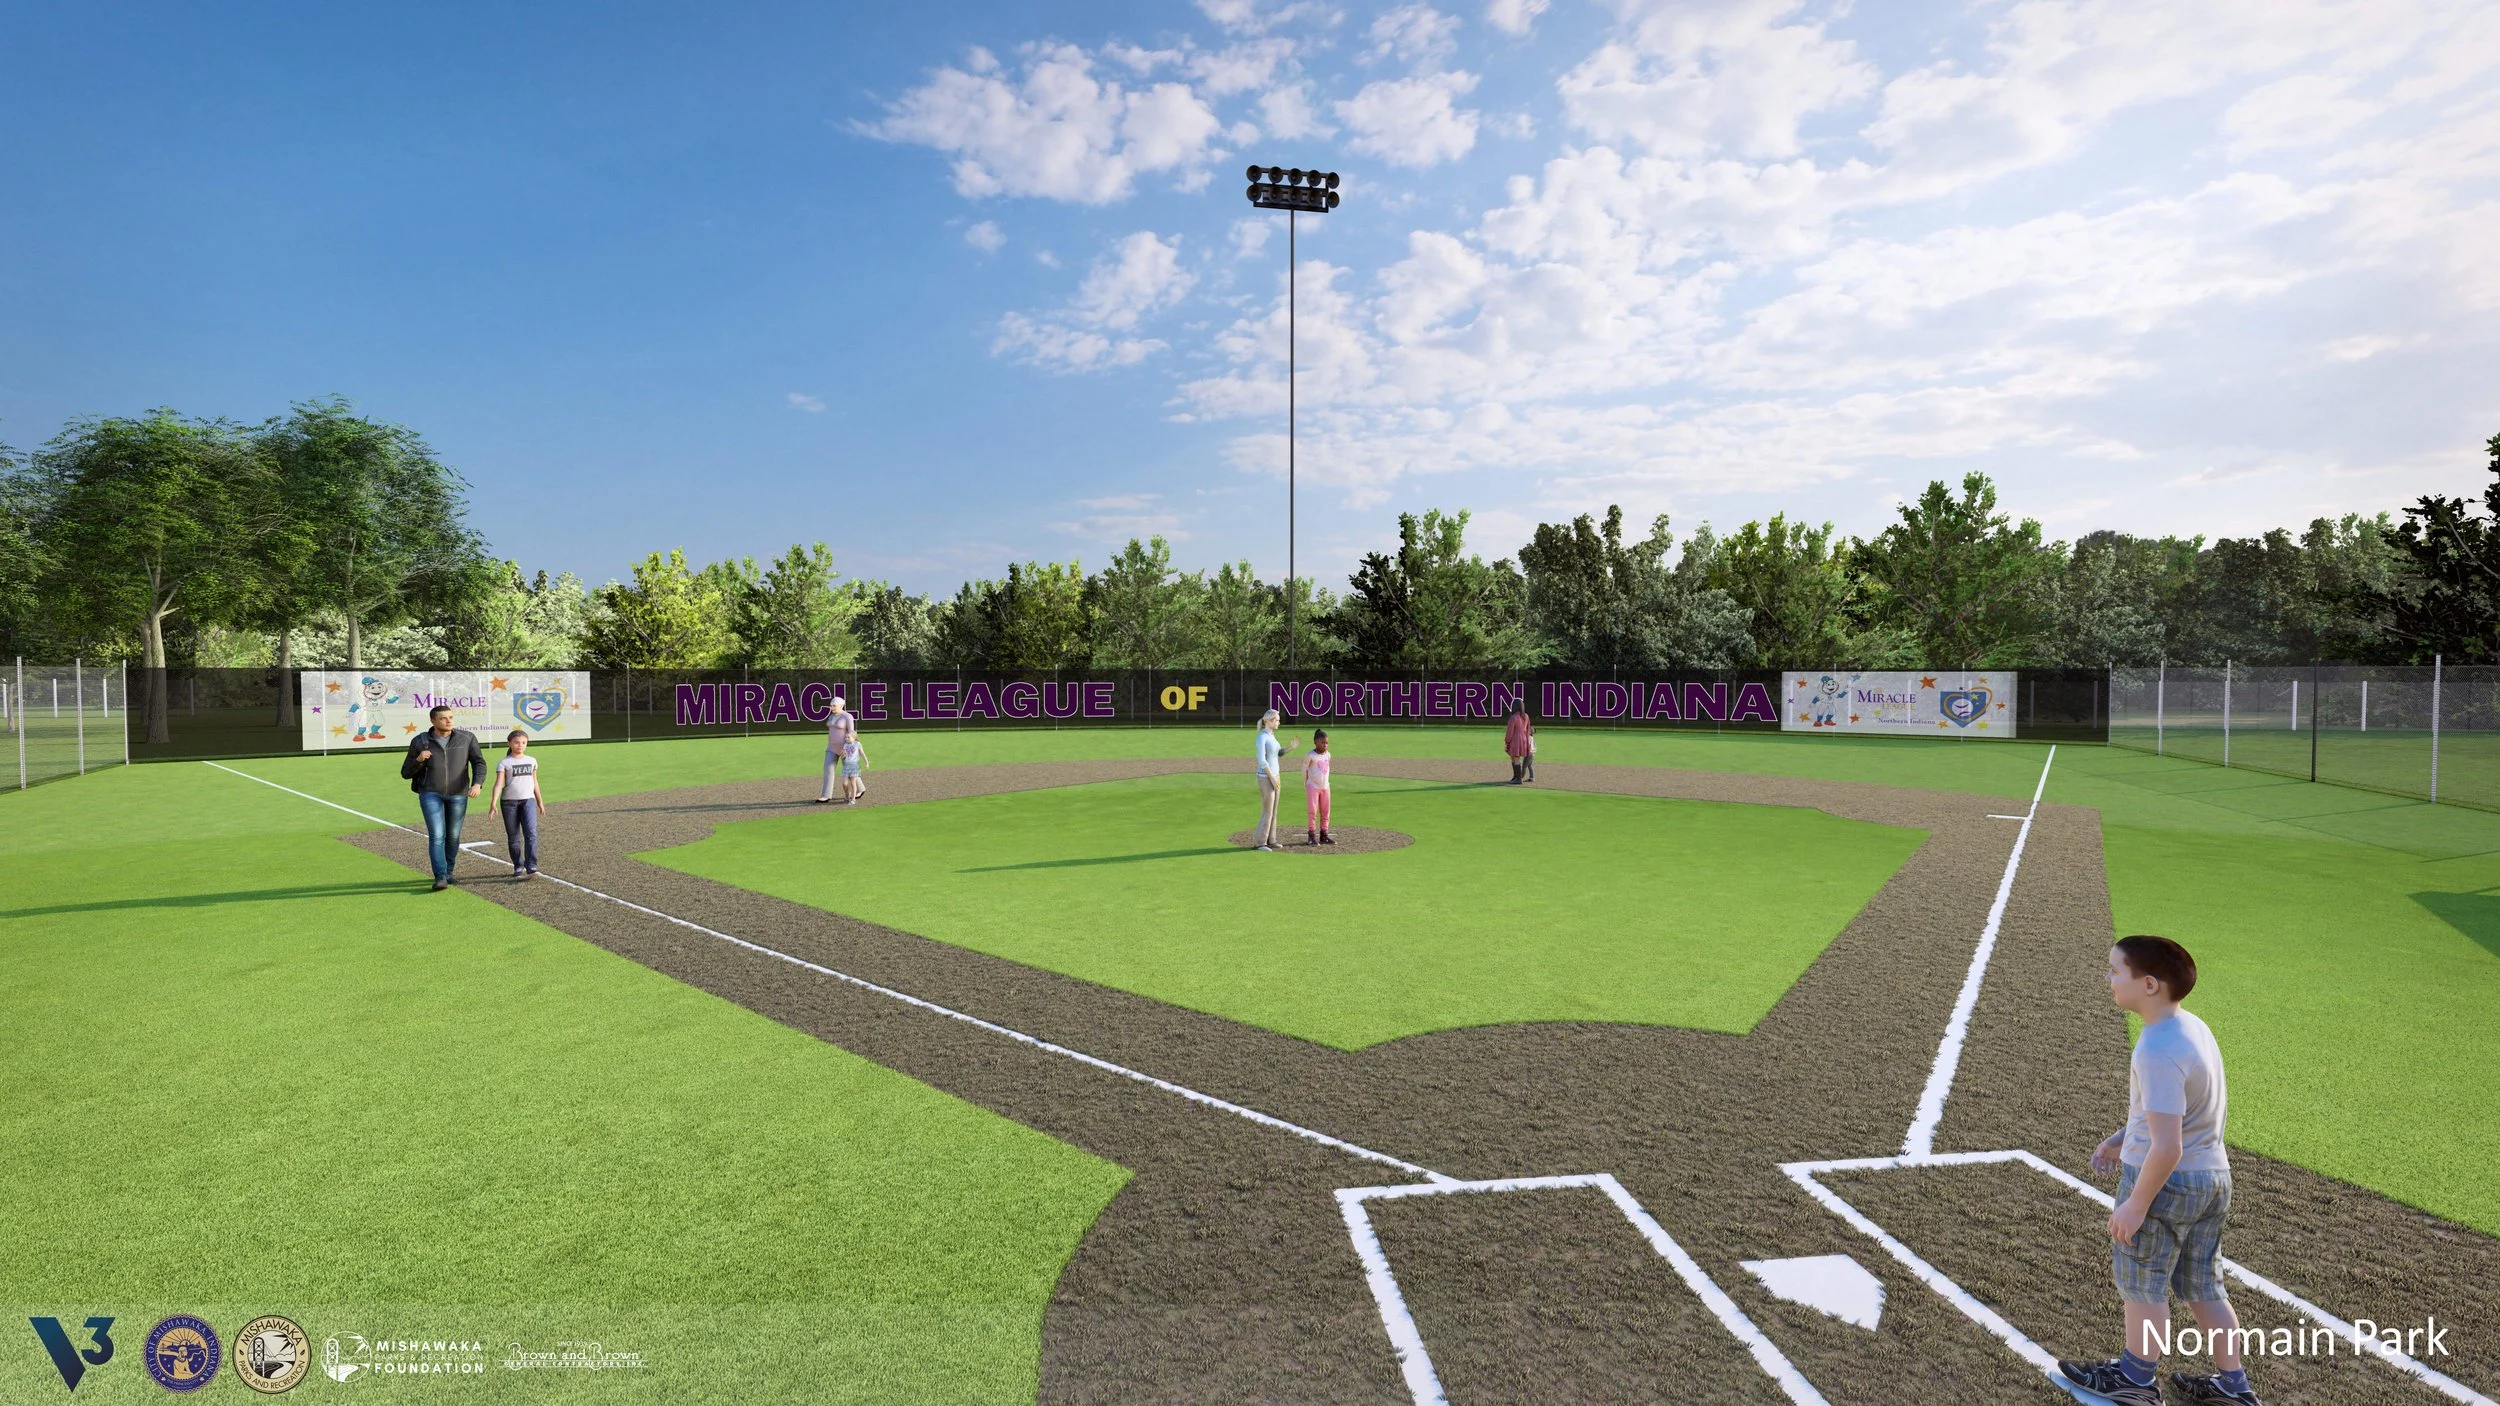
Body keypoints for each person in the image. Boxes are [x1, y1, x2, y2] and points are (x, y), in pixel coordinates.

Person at [2059, 936, 2253, 1406]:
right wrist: (2122, 1136)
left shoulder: (2155, 1049)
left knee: (2143, 1286)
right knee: (2205, 1286)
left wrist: (2135, 1204)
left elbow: (2167, 1145)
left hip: (2167, 1182)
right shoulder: (2191, 1028)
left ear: (2148, 984)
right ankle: (2235, 1388)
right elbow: (2177, 1113)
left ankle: (2136, 1380)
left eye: (2114, 971)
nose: (2108, 979)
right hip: (2211, 1179)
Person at [402, 705, 485, 891]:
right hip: (430, 794)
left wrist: (478, 783)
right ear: (433, 721)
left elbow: (479, 762)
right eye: (443, 718)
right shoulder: (420, 741)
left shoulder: (467, 738)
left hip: (459, 794)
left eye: (451, 717)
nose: (449, 721)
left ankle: (449, 872)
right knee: (437, 835)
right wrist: (419, 760)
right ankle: (440, 876)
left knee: (453, 836)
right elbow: (405, 772)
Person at [488, 728, 547, 880]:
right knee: (513, 837)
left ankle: (532, 866)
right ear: (509, 743)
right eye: (516, 742)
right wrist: (493, 803)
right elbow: (498, 784)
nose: (520, 745)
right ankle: (518, 866)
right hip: (509, 803)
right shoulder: (504, 763)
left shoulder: (532, 761)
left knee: (531, 834)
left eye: (523, 742)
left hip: (528, 802)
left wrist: (540, 802)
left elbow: (535, 782)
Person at [1251, 709, 1299, 851]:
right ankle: (1260, 842)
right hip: (1266, 777)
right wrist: (1272, 777)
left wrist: (1291, 747)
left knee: (1274, 811)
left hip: (1275, 777)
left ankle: (1271, 840)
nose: (1279, 722)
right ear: (1269, 721)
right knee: (1267, 811)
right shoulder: (1262, 737)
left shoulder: (1272, 736)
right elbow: (1262, 761)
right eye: (1277, 720)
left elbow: (1278, 753)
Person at [818, 694, 859, 804]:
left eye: (834, 705)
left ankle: (860, 789)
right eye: (831, 705)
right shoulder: (831, 716)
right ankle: (826, 795)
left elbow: (852, 733)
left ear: (841, 706)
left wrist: (850, 748)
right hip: (831, 747)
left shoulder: (847, 716)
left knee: (850, 772)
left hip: (845, 748)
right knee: (828, 769)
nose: (831, 708)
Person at [1303, 729, 1334, 846]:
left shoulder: (1328, 755)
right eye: (1322, 742)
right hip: (1313, 787)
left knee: (1326, 811)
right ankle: (1311, 836)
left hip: (1325, 787)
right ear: (1315, 742)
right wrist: (1305, 783)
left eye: (1326, 743)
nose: (1325, 745)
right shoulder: (1310, 755)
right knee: (1312, 812)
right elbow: (1303, 769)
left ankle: (1324, 835)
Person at [1505, 703, 1535, 784]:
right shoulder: (1526, 716)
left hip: (1515, 740)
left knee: (1515, 758)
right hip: (1524, 739)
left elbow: (1510, 732)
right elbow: (1528, 729)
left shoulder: (1513, 717)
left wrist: (1507, 741)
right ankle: (1515, 777)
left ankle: (1518, 779)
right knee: (1514, 757)